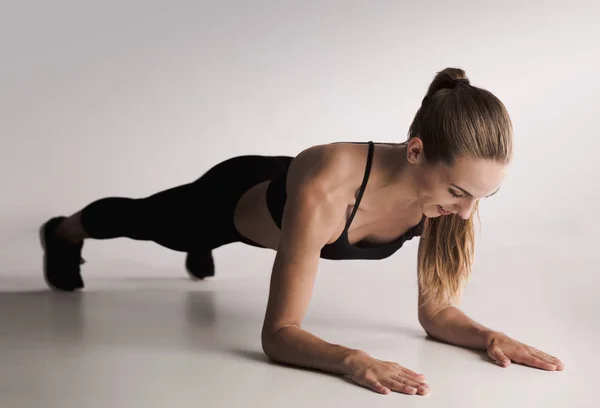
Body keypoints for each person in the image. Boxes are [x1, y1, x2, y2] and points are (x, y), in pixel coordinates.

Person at [39, 67, 564, 396]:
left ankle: (195, 248)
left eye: (482, 197)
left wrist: (488, 336)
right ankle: (63, 232)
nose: (468, 212)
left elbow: (437, 316)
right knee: (149, 221)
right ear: (417, 150)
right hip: (230, 200)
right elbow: (278, 335)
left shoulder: (448, 199)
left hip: (282, 206)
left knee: (182, 239)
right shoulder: (327, 189)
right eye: (459, 193)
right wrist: (352, 360)